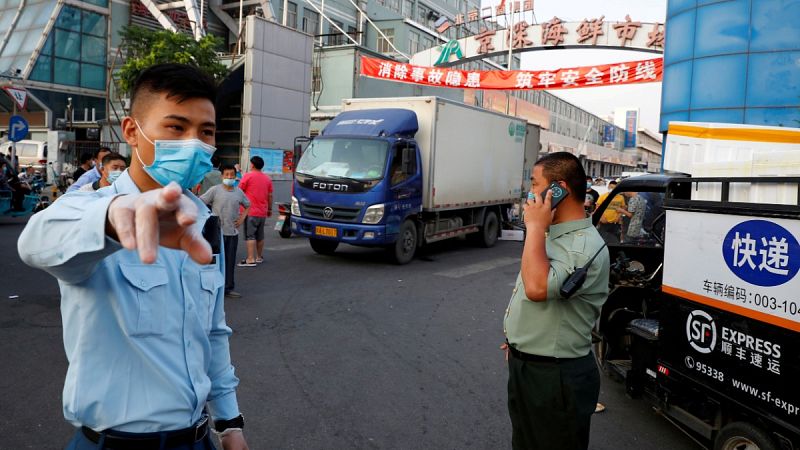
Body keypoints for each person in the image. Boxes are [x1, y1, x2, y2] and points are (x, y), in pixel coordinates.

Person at [17, 63, 249, 450]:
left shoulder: (201, 224)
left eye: (205, 132)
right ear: (131, 131)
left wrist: (230, 423)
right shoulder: (90, 209)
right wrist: (113, 218)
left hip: (198, 439)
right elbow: (35, 242)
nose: (194, 144)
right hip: (115, 443)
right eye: (176, 127)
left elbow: (212, 334)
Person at [501, 152, 610, 450]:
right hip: (532, 366)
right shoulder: (555, 234)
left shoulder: (580, 246)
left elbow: (537, 288)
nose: (530, 194)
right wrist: (521, 338)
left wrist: (535, 227)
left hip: (555, 377)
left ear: (558, 189)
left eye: (535, 184)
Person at [201, 164, 250, 298]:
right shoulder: (214, 190)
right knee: (214, 263)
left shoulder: (239, 192)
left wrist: (242, 218)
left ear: (235, 176)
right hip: (216, 235)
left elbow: (247, 205)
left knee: (229, 262)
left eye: (232, 175)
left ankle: (228, 288)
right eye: (227, 175)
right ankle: (213, 288)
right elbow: (201, 202)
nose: (229, 177)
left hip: (232, 233)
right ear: (222, 176)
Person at [238, 155, 272, 266]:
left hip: (250, 212)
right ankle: (259, 257)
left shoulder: (248, 176)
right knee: (260, 236)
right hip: (262, 212)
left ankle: (250, 259)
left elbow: (239, 191)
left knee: (250, 236)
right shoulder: (267, 178)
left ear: (252, 165)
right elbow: (270, 195)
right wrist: (270, 209)